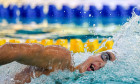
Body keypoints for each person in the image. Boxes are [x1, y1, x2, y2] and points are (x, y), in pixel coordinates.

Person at [0, 43, 116, 84]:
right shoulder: (62, 59)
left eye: (105, 67)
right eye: (105, 57)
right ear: (94, 54)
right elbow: (13, 50)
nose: (101, 64)